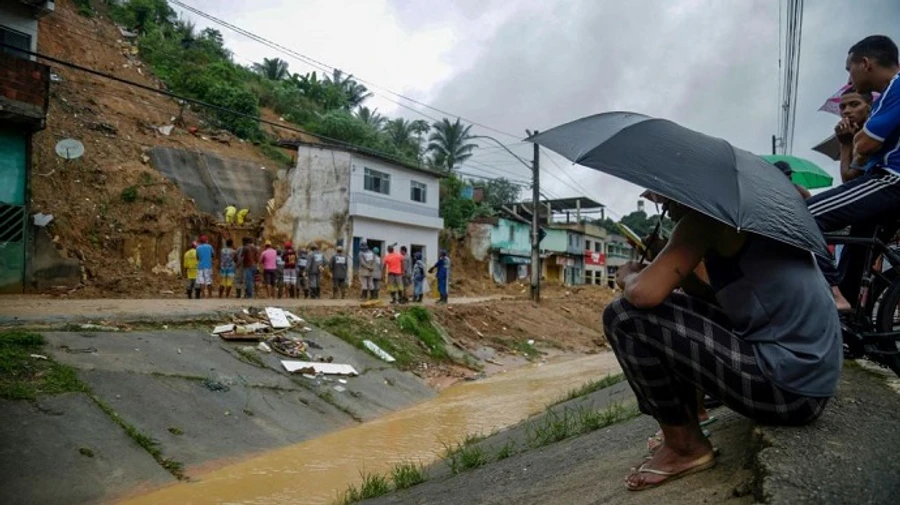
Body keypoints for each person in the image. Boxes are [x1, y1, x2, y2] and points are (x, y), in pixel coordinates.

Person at [603, 197, 841, 491]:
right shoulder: (756, 219)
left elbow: (643, 295)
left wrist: (629, 275)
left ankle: (685, 447)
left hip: (790, 389)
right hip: (809, 382)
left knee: (623, 316)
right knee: (675, 310)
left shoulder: (704, 219)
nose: (662, 203)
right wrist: (678, 264)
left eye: (663, 196)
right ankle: (690, 423)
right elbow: (727, 307)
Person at [807, 35, 900, 311]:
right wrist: (850, 144)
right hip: (882, 181)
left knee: (805, 216)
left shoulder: (896, 87)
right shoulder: (887, 96)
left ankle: (833, 296)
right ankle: (849, 318)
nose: (849, 75)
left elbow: (867, 144)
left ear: (865, 63)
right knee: (855, 259)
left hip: (892, 179)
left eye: (850, 68)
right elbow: (852, 175)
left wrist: (860, 141)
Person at [835, 87, 874, 183]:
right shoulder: (851, 135)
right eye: (842, 107)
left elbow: (848, 179)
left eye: (854, 104)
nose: (846, 111)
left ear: (870, 106)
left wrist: (845, 144)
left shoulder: (874, 132)